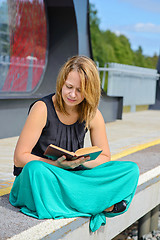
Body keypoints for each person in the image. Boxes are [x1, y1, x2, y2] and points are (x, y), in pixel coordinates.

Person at [9, 55, 139, 232]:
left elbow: (105, 157)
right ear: (62, 82)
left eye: (80, 90)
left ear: (90, 91)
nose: (72, 94)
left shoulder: (92, 114)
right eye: (69, 87)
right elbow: (19, 158)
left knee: (130, 169)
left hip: (71, 177)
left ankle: (75, 203)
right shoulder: (42, 108)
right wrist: (56, 164)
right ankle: (97, 205)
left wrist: (81, 161)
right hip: (44, 178)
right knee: (35, 169)